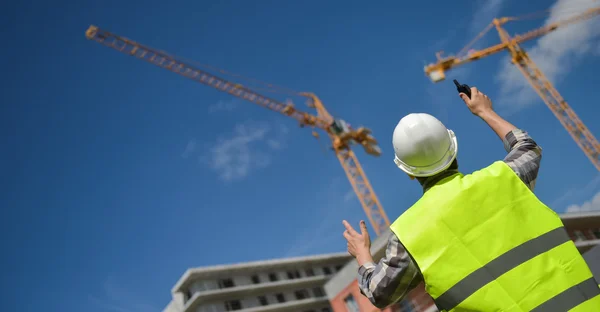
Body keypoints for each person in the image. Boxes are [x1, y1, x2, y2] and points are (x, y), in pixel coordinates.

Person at [342, 87, 600, 311]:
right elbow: (526, 147)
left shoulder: (409, 233)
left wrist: (363, 255)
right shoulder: (503, 177)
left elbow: (379, 293)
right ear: (454, 148)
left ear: (408, 172)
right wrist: (484, 111)